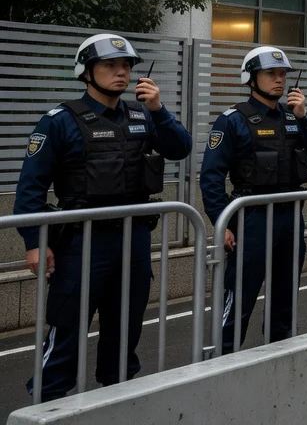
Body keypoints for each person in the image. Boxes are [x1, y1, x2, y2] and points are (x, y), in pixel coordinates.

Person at [18, 34, 192, 400]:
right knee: (67, 327)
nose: (121, 73)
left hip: (134, 239)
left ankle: (116, 399)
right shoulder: (59, 121)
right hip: (82, 241)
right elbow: (30, 188)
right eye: (110, 65)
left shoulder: (142, 114)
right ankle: (44, 404)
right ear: (86, 72)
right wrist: (34, 243)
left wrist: (160, 110)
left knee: (126, 327)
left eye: (126, 66)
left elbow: (181, 148)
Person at [201, 46, 307, 353]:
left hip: (289, 217)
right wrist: (223, 223)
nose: (279, 80)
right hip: (251, 219)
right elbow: (211, 176)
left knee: (285, 296)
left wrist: (305, 117)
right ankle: (222, 358)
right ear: (251, 78)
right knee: (240, 295)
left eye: (283, 74)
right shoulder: (232, 120)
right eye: (271, 73)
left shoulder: (293, 116)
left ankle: (278, 356)